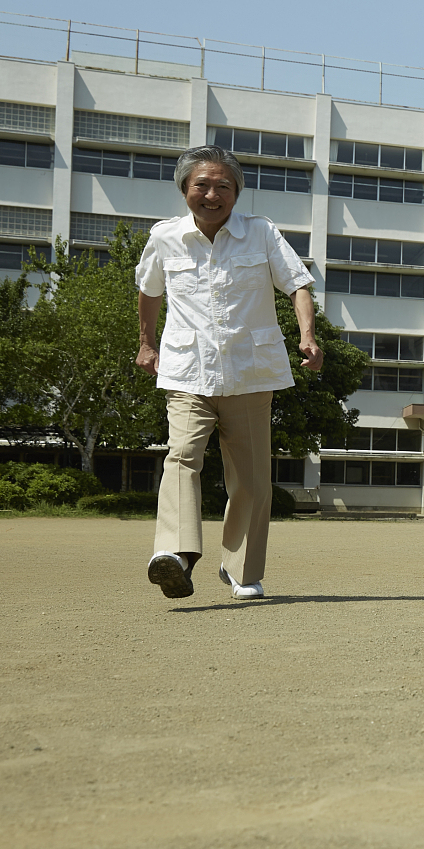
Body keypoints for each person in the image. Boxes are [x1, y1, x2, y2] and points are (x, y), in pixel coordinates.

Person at [136, 145, 322, 601]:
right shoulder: (165, 237)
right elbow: (149, 290)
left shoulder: (261, 233)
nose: (212, 194)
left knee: (253, 479)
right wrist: (145, 341)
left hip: (250, 371)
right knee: (181, 456)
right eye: (202, 184)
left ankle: (241, 570)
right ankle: (176, 556)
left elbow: (297, 283)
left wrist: (308, 335)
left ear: (237, 192)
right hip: (187, 371)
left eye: (223, 185)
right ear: (185, 190)